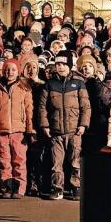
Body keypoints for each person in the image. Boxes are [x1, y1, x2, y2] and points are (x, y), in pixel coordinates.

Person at [38, 50, 91, 200]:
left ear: (69, 65)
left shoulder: (79, 84)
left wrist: (83, 125)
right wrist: (45, 125)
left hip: (75, 131)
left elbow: (86, 107)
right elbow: (42, 107)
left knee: (75, 161)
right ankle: (57, 188)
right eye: (58, 64)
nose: (60, 67)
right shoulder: (49, 84)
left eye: (63, 64)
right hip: (56, 131)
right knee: (56, 163)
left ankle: (76, 187)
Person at [0, 58, 34, 199]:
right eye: (7, 69)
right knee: (4, 160)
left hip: (18, 131)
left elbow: (29, 110)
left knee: (19, 160)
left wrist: (29, 129)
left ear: (18, 71)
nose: (10, 72)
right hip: (1, 130)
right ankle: (7, 187)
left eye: (13, 69)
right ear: (3, 71)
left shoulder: (24, 88)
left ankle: (19, 189)